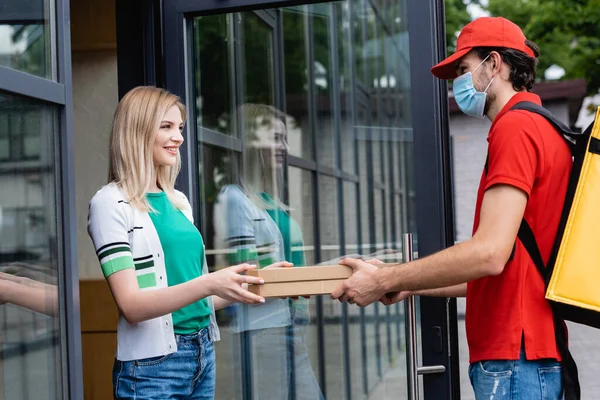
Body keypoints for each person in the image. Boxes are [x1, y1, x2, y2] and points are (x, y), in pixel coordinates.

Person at [332, 17, 569, 399]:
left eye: (463, 69)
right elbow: (500, 267)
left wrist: (384, 280)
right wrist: (404, 281)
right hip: (525, 353)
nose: (458, 82)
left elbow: (489, 255)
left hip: (515, 357)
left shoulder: (516, 129)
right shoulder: (542, 126)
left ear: (494, 65)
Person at [87, 86, 291, 399]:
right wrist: (210, 282)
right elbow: (132, 305)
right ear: (137, 131)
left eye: (180, 128)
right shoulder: (110, 203)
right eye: (166, 127)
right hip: (151, 369)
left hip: (201, 354)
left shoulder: (179, 201)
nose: (179, 137)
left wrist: (259, 282)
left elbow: (196, 300)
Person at [213, 103, 323, 399]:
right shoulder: (236, 199)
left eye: (284, 138)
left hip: (291, 326)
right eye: (275, 138)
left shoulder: (270, 201)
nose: (284, 147)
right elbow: (245, 276)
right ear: (250, 143)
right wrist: (309, 280)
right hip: (265, 331)